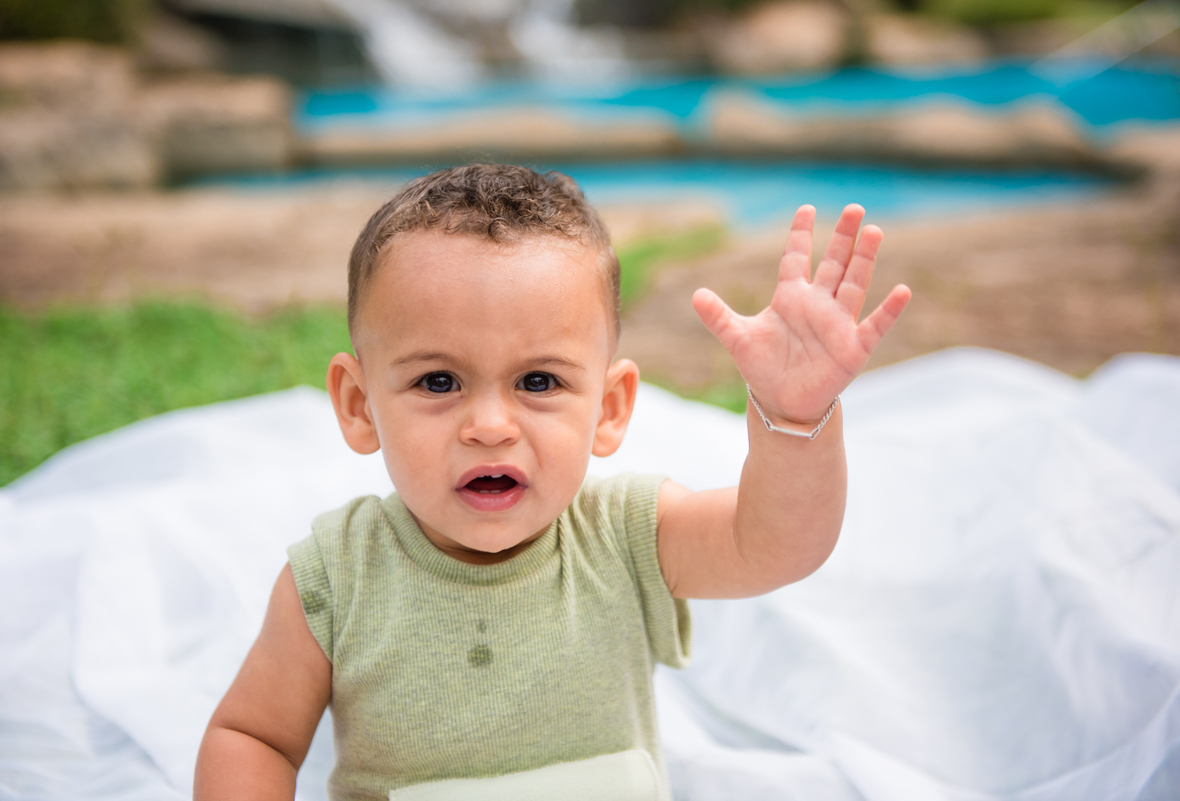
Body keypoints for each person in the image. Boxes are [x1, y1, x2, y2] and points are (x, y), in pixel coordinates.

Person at [193, 164, 910, 800]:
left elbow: (777, 542)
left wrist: (794, 415)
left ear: (609, 407)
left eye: (538, 381)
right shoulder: (337, 577)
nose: (490, 424)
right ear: (358, 405)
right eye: (438, 380)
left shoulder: (628, 536)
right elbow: (254, 736)